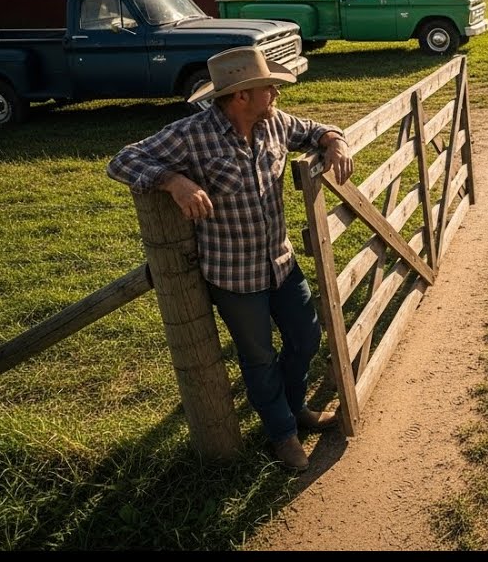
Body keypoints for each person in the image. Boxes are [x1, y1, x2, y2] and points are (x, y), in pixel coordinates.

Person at [107, 46, 354, 471]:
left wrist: (335, 142)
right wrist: (173, 181)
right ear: (241, 95)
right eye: (268, 86)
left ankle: (295, 409)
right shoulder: (191, 134)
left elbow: (317, 128)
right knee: (257, 356)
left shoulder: (274, 124)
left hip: (280, 261)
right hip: (234, 275)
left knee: (307, 338)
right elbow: (123, 159)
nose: (276, 92)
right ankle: (283, 433)